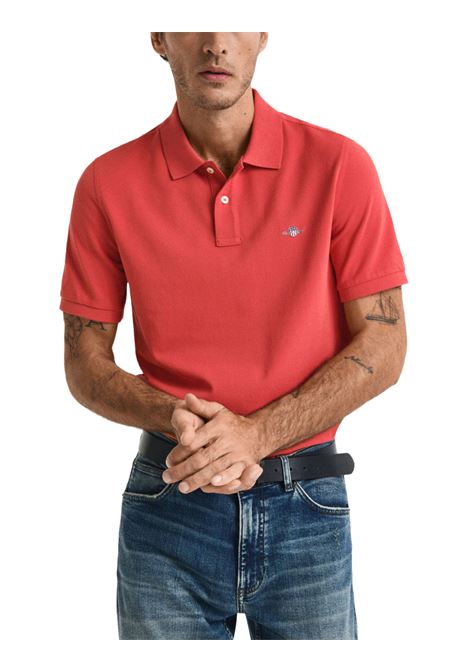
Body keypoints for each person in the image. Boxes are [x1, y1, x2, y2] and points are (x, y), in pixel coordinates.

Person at [59, 32, 408, 640]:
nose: (216, 44)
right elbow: (84, 363)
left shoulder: (339, 165)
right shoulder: (106, 182)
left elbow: (385, 345)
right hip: (169, 500)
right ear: (160, 38)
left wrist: (257, 434)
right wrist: (179, 420)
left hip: (307, 500)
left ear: (263, 35)